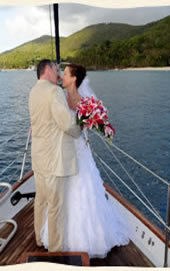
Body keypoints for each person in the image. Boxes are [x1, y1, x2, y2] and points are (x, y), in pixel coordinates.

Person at [40, 64, 131, 259]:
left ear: (73, 79)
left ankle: (90, 239)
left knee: (83, 191)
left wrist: (95, 124)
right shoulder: (60, 98)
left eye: (64, 73)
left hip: (80, 151)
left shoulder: (87, 103)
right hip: (63, 152)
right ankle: (60, 237)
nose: (61, 76)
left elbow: (95, 124)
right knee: (64, 196)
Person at [28, 59, 81, 252]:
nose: (58, 73)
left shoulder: (33, 91)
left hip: (39, 158)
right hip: (53, 160)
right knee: (56, 207)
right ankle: (55, 250)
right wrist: (79, 130)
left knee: (40, 201)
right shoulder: (54, 91)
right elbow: (67, 123)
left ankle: (39, 239)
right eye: (56, 69)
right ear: (48, 69)